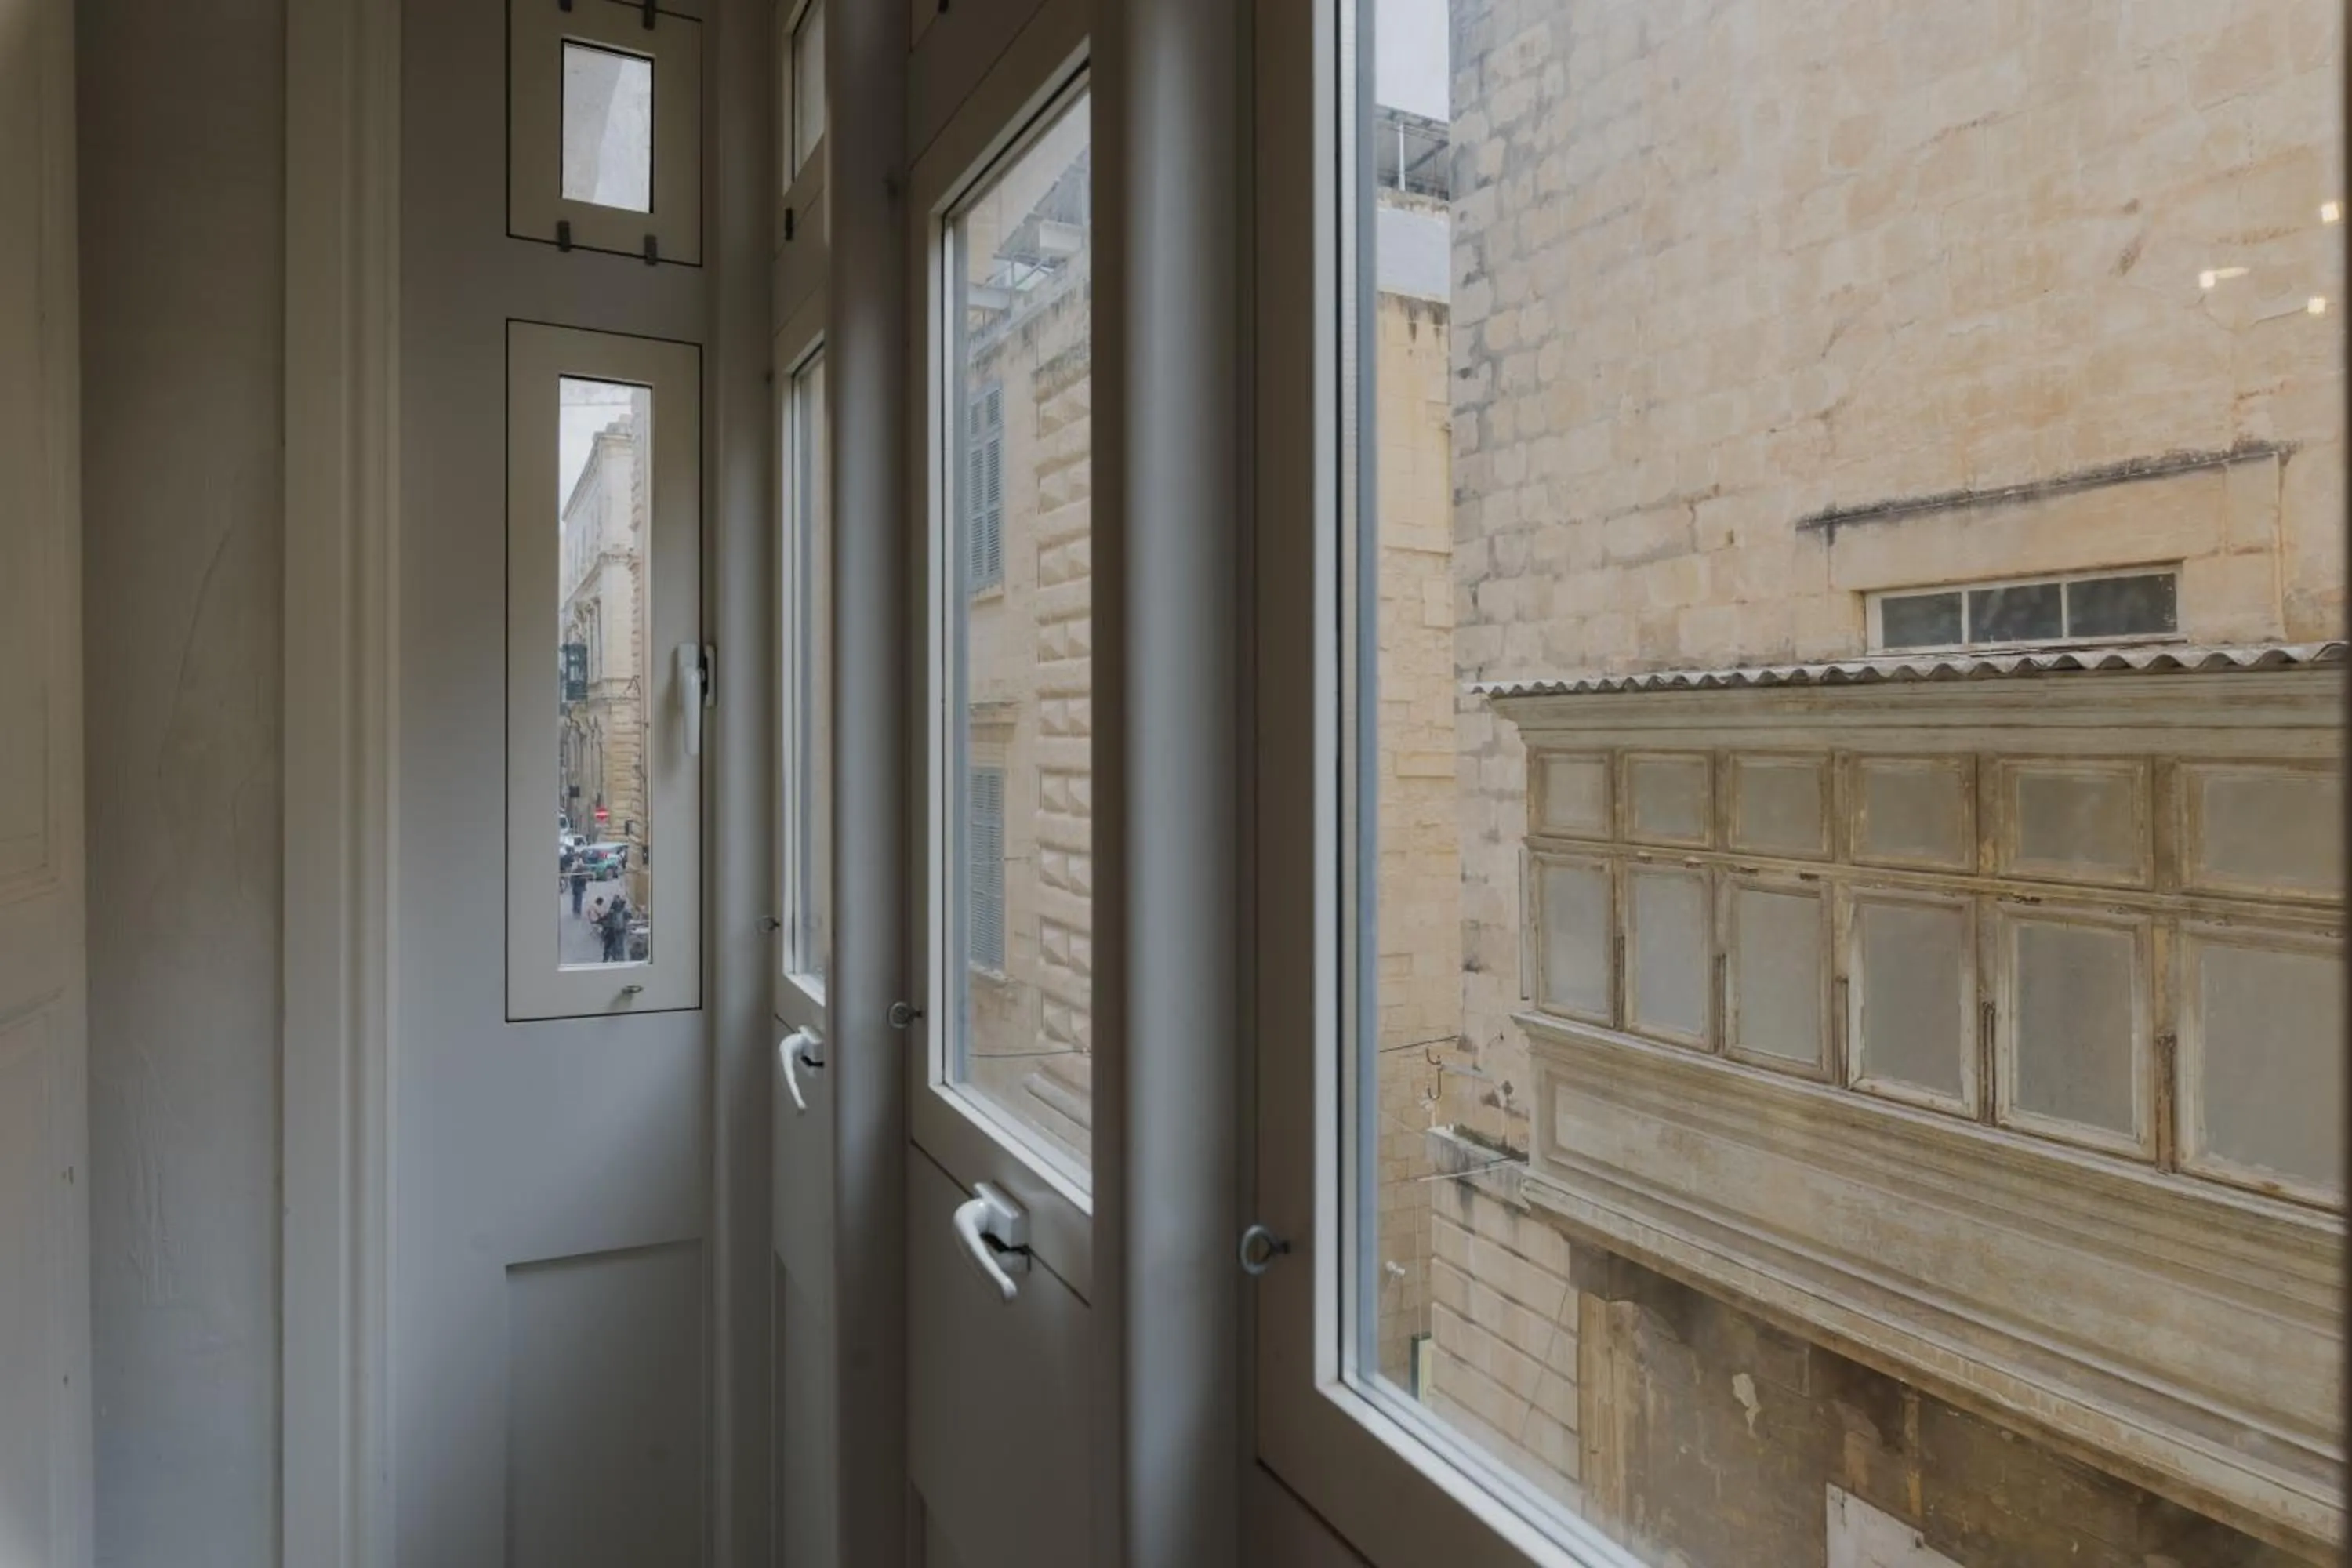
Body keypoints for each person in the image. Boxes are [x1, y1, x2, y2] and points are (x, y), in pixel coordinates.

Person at [599, 894, 630, 963]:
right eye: (617, 906)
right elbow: (604, 921)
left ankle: (621, 958)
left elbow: (628, 918)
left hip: (620, 930)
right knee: (614, 946)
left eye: (619, 906)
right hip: (613, 931)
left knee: (619, 945)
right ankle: (615, 958)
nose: (619, 908)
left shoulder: (624, 912)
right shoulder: (611, 913)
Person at [567, 853, 587, 917]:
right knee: (576, 896)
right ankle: (575, 909)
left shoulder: (581, 864)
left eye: (576, 857)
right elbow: (572, 873)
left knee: (579, 897)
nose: (575, 858)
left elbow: (581, 872)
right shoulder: (575, 863)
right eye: (575, 857)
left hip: (579, 882)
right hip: (576, 882)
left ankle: (578, 910)